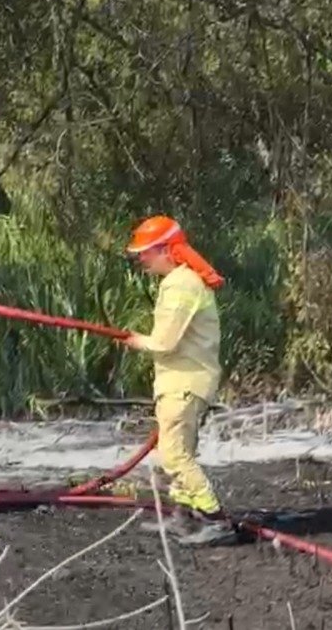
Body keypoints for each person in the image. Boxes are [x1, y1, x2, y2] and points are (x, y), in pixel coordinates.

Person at [120, 215, 233, 546]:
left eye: (147, 251)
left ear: (168, 250)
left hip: (186, 381)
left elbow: (165, 342)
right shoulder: (180, 281)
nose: (141, 258)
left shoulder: (180, 285)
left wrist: (135, 340)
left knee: (175, 456)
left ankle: (216, 519)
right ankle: (183, 516)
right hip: (182, 380)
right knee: (176, 450)